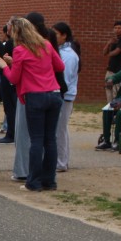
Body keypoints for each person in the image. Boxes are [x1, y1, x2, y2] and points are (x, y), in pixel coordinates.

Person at [3, 16, 65, 191]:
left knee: (36, 140)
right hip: (53, 93)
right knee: (50, 140)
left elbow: (14, 78)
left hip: (35, 96)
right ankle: (49, 181)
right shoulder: (46, 45)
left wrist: (5, 67)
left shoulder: (20, 50)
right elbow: (60, 67)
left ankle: (34, 181)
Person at [52, 21, 79, 172]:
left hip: (64, 96)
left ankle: (61, 162)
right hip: (60, 94)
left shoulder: (69, 55)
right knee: (60, 129)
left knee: (59, 130)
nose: (53, 37)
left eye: (56, 34)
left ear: (64, 35)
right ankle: (61, 160)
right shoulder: (59, 52)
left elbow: (65, 79)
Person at [102, 21, 121, 102]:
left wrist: (108, 54)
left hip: (119, 71)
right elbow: (104, 52)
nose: (117, 30)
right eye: (115, 28)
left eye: (119, 28)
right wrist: (109, 43)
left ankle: (115, 107)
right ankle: (109, 106)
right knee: (108, 90)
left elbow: (116, 52)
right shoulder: (114, 40)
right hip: (110, 69)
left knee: (116, 92)